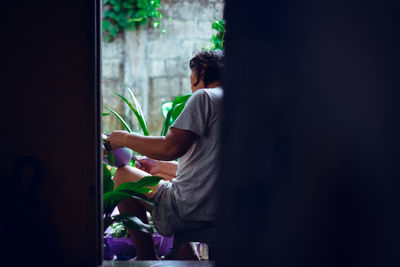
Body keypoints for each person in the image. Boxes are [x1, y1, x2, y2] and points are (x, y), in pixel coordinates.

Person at [106, 49, 224, 260]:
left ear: (202, 71)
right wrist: (160, 168)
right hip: (223, 207)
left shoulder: (205, 97)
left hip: (192, 210)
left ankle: (146, 256)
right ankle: (187, 255)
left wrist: (124, 138)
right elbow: (208, 169)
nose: (191, 84)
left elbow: (170, 147)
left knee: (122, 176)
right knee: (161, 179)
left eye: (192, 78)